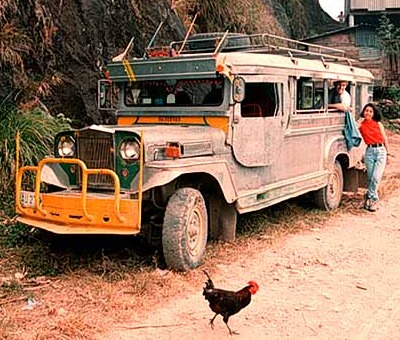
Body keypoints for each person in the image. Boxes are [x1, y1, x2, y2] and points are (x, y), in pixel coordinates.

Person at [357, 103, 391, 212]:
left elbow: (385, 139)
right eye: (366, 110)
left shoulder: (378, 123)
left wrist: (388, 154)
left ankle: (372, 198)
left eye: (370, 111)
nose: (368, 113)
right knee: (371, 178)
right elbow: (354, 129)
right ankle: (370, 197)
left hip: (381, 151)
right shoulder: (361, 124)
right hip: (369, 152)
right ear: (363, 112)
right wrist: (359, 121)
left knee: (376, 177)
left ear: (374, 113)